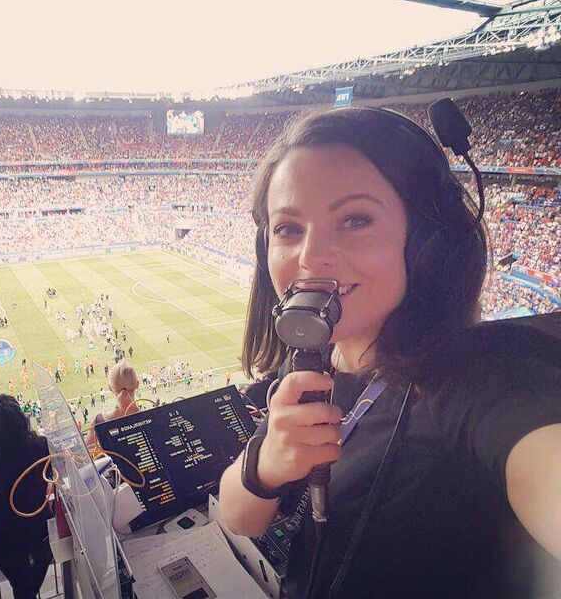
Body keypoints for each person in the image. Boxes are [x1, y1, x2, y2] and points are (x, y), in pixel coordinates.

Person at [218, 107, 561, 598]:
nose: (311, 257)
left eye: (355, 219)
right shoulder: (311, 369)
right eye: (288, 228)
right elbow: (239, 515)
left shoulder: (483, 377)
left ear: (428, 243)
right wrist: (267, 461)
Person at [0, 396, 53, 599]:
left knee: (22, 584)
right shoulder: (40, 446)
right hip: (39, 527)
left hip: (4, 535)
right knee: (26, 582)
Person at [86, 361, 142, 446]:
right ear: (137, 384)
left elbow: (87, 454)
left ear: (110, 388)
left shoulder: (98, 421)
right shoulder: (156, 416)